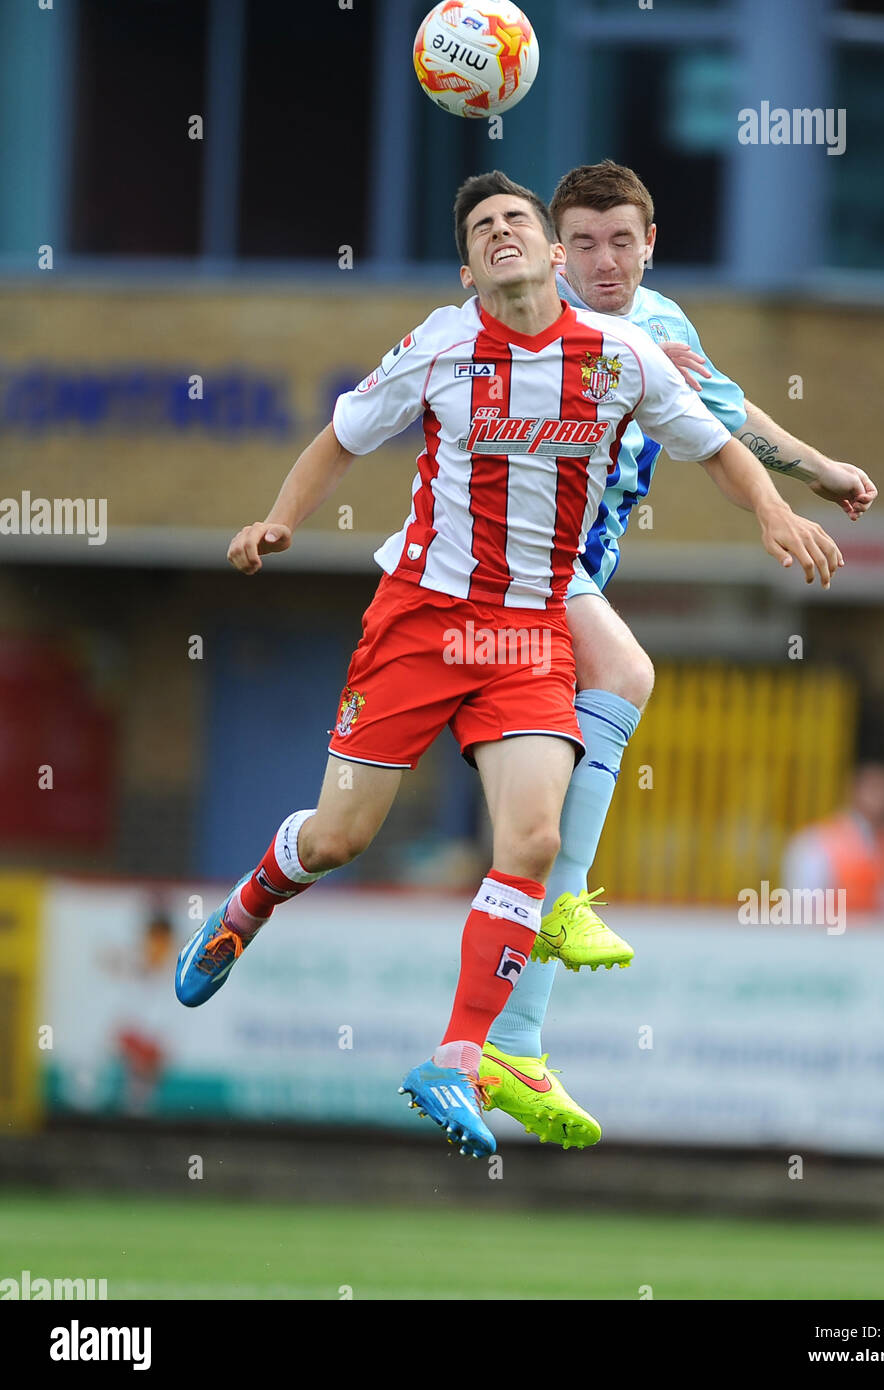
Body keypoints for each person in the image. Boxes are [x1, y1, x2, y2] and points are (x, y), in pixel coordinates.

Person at [175, 170, 842, 1160]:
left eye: (514, 221)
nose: (502, 233)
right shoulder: (441, 344)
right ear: (471, 265)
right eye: (483, 226)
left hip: (529, 626)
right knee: (342, 836)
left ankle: (458, 1055)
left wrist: (785, 506)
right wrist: (279, 518)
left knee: (526, 837)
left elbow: (718, 442)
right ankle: (253, 900)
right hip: (422, 620)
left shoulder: (623, 351)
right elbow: (342, 435)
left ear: (547, 251)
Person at [481, 161, 878, 1149]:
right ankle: (558, 912)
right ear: (554, 249)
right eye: (582, 242)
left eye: (622, 241)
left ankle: (512, 1035)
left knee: (482, 822)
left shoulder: (662, 329)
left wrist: (819, 474)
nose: (604, 261)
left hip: (567, 579)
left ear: (650, 244)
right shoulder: (520, 317)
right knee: (627, 675)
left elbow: (727, 421)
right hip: (504, 562)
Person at [781, 762, 884, 911]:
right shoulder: (818, 840)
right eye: (875, 788)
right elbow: (803, 905)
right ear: (854, 791)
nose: (883, 797)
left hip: (876, 933)